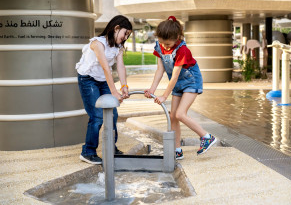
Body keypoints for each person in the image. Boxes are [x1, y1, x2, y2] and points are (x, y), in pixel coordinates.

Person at [144, 16, 217, 160]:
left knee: (180, 114)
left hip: (191, 81)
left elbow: (176, 75)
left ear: (177, 37)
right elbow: (160, 70)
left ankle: (206, 137)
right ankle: (177, 150)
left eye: (168, 43)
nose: (165, 46)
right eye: (162, 43)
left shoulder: (182, 50)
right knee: (173, 116)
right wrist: (152, 89)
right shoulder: (159, 47)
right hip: (177, 84)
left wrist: (164, 95)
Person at [76, 15, 132, 165]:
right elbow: (106, 68)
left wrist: (124, 86)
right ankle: (88, 152)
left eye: (128, 35)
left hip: (102, 81)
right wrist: (114, 91)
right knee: (97, 116)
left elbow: (120, 66)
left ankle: (110, 148)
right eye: (125, 33)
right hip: (88, 80)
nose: (125, 37)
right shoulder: (97, 44)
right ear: (116, 28)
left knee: (112, 114)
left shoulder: (118, 47)